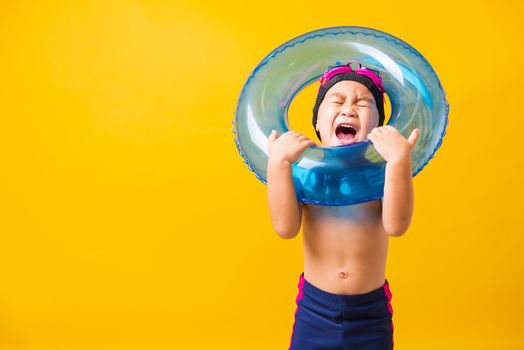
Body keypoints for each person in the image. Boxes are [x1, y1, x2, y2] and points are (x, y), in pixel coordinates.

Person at [266, 61, 420, 350]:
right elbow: (285, 228)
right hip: (316, 309)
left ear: (378, 127)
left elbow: (396, 226)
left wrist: (399, 161)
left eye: (363, 104)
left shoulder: (381, 175)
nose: (349, 108)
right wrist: (279, 163)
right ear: (318, 124)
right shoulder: (308, 173)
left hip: (370, 313)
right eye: (336, 101)